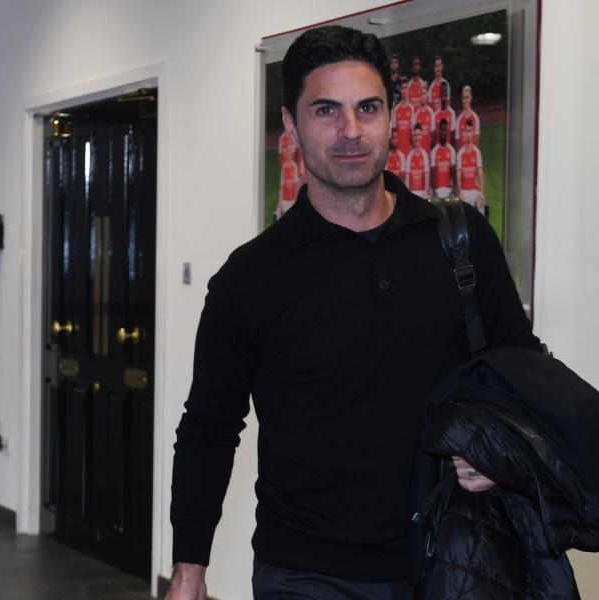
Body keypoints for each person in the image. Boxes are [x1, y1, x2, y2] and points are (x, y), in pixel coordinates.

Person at [167, 25, 540, 600]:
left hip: (453, 560)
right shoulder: (251, 276)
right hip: (305, 572)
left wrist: (500, 452)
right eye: (326, 110)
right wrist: (189, 571)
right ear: (291, 126)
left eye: (367, 108)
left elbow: (524, 372)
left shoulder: (461, 242)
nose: (350, 131)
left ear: (392, 116)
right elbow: (209, 427)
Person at [456, 118, 486, 214]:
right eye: (466, 131)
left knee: (481, 203)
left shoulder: (477, 152)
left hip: (474, 190)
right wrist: (460, 192)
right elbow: (458, 175)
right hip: (464, 191)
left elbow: (480, 174)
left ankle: (481, 228)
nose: (468, 134)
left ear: (473, 133)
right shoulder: (460, 153)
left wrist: (481, 193)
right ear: (463, 134)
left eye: (470, 131)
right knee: (463, 210)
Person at [430, 119, 457, 199]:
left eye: (445, 130)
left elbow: (453, 172)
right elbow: (432, 174)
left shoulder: (451, 150)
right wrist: (434, 191)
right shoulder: (434, 151)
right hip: (437, 190)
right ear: (439, 131)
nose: (443, 132)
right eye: (441, 130)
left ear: (447, 131)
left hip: (448, 190)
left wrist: (453, 189)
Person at [405, 124, 431, 198]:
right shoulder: (409, 156)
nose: (417, 138)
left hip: (423, 193)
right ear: (413, 137)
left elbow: (427, 180)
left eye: (418, 135)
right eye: (415, 135)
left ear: (421, 136)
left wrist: (424, 194)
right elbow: (407, 181)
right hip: (412, 193)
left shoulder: (425, 155)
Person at [390, 81, 413, 156]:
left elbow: (412, 131)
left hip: (408, 150)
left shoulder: (411, 109)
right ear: (400, 90)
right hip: (398, 150)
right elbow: (393, 130)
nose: (404, 90)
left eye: (406, 88)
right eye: (402, 88)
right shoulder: (396, 109)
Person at [433, 80, 456, 148]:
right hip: (438, 150)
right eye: (442, 92)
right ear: (440, 94)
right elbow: (434, 136)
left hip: (448, 151)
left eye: (445, 92)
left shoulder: (452, 113)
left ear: (447, 94)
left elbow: (452, 136)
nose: (443, 94)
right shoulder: (435, 114)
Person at [412, 82, 433, 153]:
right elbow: (414, 134)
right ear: (419, 96)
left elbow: (432, 134)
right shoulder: (416, 114)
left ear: (427, 95)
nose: (423, 96)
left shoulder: (431, 112)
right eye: (421, 94)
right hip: (418, 152)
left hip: (428, 151)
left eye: (424, 94)